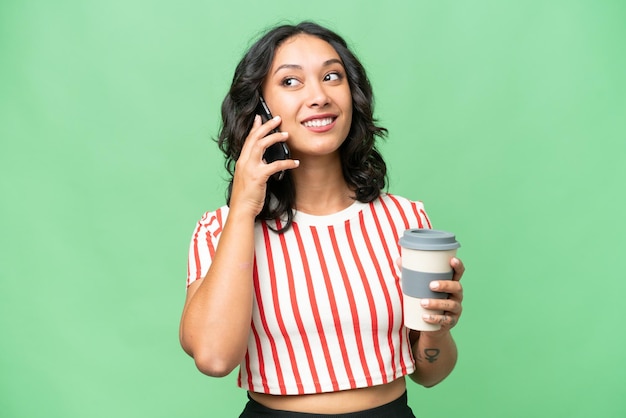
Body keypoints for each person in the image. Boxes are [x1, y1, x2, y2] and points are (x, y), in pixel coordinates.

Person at [179, 21, 465, 417]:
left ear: (353, 96)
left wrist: (438, 327)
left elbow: (432, 372)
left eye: (332, 77)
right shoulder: (221, 229)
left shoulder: (405, 220)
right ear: (259, 109)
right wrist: (245, 207)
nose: (318, 96)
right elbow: (213, 358)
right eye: (291, 82)